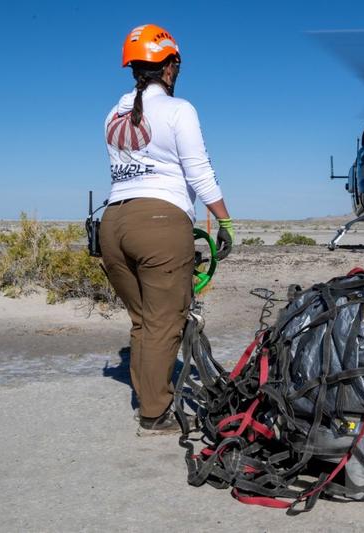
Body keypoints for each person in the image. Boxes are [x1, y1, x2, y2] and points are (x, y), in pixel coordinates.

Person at [100, 24, 234, 432]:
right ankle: (155, 412)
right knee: (165, 320)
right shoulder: (179, 110)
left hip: (112, 223)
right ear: (169, 66)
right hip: (160, 222)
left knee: (143, 319)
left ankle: (148, 396)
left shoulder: (112, 113)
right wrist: (224, 220)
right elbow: (199, 172)